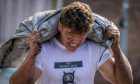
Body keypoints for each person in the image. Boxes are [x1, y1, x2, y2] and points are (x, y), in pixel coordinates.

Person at [10, 1, 133, 84]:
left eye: (82, 35)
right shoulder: (43, 49)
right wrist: (32, 54)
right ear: (59, 27)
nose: (75, 41)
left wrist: (116, 49)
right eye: (70, 34)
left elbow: (125, 82)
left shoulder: (95, 48)